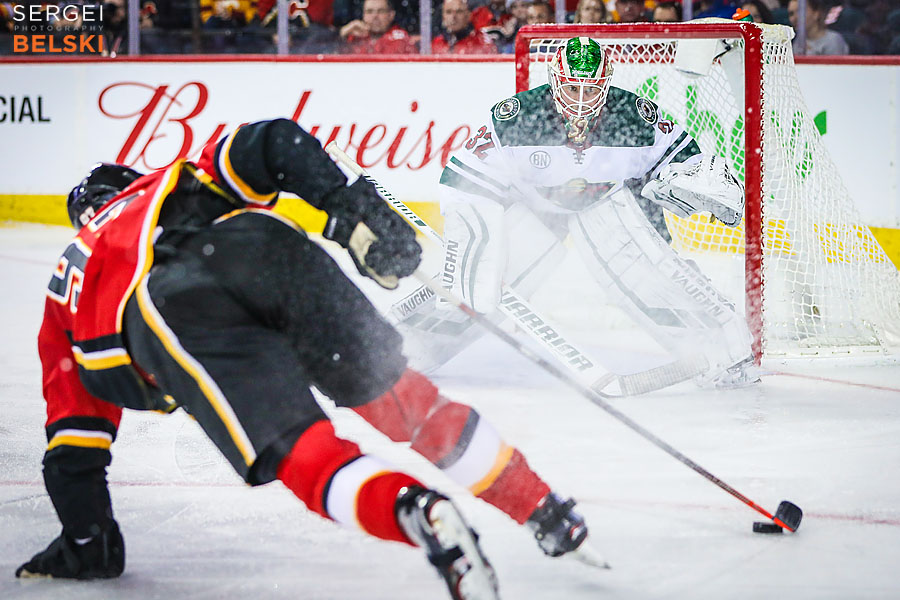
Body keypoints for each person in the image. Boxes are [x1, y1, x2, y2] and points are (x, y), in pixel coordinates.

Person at [16, 119, 603, 593]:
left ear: (82, 221)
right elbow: (274, 142)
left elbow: (74, 447)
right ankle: (546, 511)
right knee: (406, 402)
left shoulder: (70, 282)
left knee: (305, 452)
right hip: (262, 246)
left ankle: (419, 514)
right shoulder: (171, 182)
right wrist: (351, 208)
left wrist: (88, 541)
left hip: (177, 303)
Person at [395, 37, 757, 391]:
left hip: (605, 206)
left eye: (591, 90)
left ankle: (722, 353)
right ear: (555, 82)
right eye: (572, 89)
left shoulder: (634, 116)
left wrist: (699, 180)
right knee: (483, 281)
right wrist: (474, 248)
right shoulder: (520, 117)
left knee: (647, 276)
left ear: (606, 84)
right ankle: (403, 350)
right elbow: (463, 181)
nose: (581, 102)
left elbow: (683, 157)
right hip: (536, 210)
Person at [338, 0, 416, 53]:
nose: (375, 16)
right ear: (363, 15)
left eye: (381, 11)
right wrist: (342, 34)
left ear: (391, 15)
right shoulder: (355, 36)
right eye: (369, 11)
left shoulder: (400, 38)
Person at [432, 0, 499, 54]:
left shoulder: (481, 43)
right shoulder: (437, 43)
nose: (453, 17)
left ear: (468, 16)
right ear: (443, 16)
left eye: (459, 12)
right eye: (449, 12)